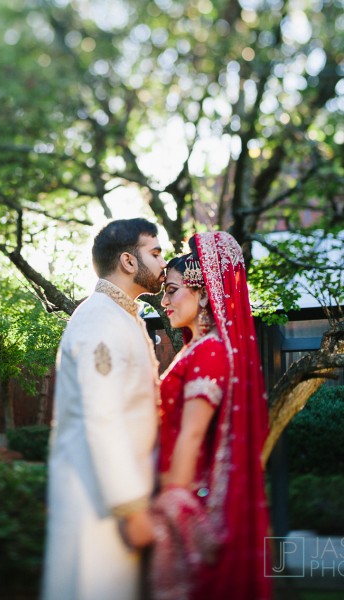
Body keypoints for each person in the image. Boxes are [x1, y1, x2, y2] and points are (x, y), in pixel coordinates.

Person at [42, 218, 167, 600]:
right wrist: (131, 508)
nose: (163, 263)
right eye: (156, 253)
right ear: (129, 262)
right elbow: (102, 416)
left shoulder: (122, 315)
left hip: (111, 499)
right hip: (97, 505)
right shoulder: (100, 319)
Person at [152, 231, 272, 599]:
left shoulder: (210, 352)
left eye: (172, 290)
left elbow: (191, 435)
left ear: (203, 293)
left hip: (185, 507)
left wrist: (168, 500)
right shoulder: (195, 349)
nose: (165, 300)